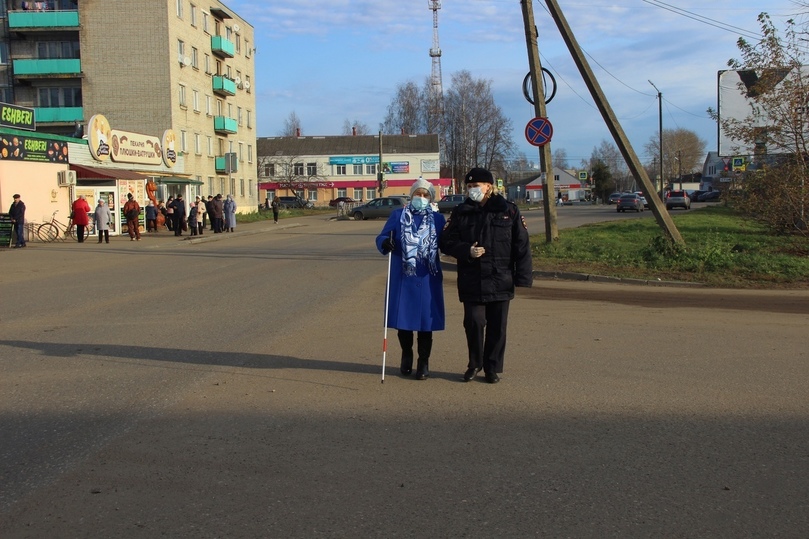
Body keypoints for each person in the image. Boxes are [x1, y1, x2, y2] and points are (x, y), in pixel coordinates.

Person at [439, 167, 533, 384]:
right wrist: (467, 251)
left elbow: (522, 246)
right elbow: (446, 242)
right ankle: (474, 364)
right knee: (473, 322)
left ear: (489, 186)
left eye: (476, 185)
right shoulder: (461, 212)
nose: (473, 189)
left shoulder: (509, 211)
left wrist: (523, 277)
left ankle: (492, 367)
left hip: (501, 278)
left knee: (497, 326)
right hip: (472, 279)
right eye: (469, 186)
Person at [375, 178, 445, 380]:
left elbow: (448, 241)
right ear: (411, 195)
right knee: (404, 319)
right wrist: (385, 243)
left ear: (431, 198)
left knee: (426, 322)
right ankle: (407, 354)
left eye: (425, 195)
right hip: (403, 276)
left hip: (427, 277)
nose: (421, 198)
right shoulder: (398, 215)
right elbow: (382, 237)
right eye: (418, 194)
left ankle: (423, 361)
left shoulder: (437, 219)